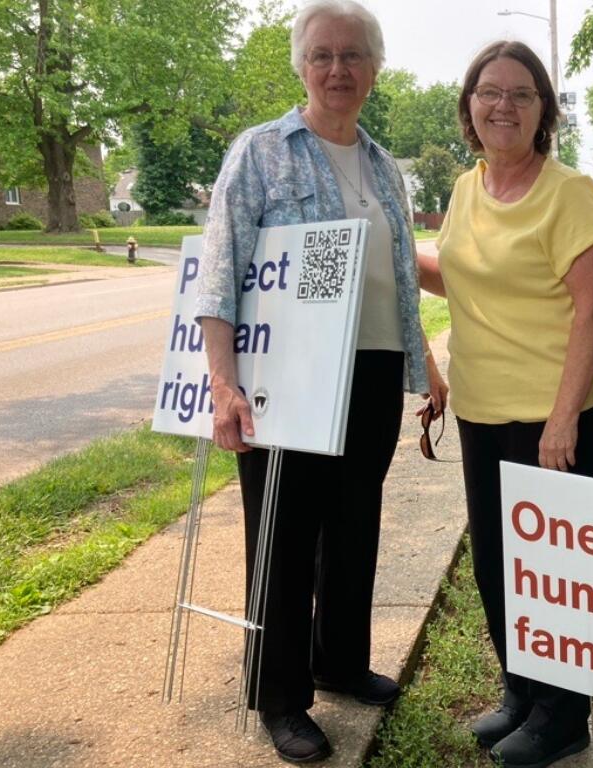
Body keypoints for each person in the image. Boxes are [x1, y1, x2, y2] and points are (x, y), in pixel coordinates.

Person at [193, 0, 447, 762]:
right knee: (284, 534)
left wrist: (425, 364)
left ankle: (339, 661)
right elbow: (219, 273)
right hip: (287, 375)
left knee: (354, 524)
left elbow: (397, 278)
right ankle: (280, 695)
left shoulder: (378, 162)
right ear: (303, 66)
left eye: (353, 56)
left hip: (367, 372)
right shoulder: (262, 150)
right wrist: (222, 383)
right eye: (323, 55)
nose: (339, 69)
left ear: (374, 69)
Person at [417, 40, 593, 768]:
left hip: (550, 419)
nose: (503, 105)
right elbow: (465, 279)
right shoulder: (468, 189)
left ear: (543, 111)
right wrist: (392, 252)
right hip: (482, 409)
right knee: (500, 567)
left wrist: (565, 417)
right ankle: (521, 695)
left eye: (521, 94)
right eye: (489, 92)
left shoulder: (568, 193)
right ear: (469, 106)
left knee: (557, 575)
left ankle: (566, 717)